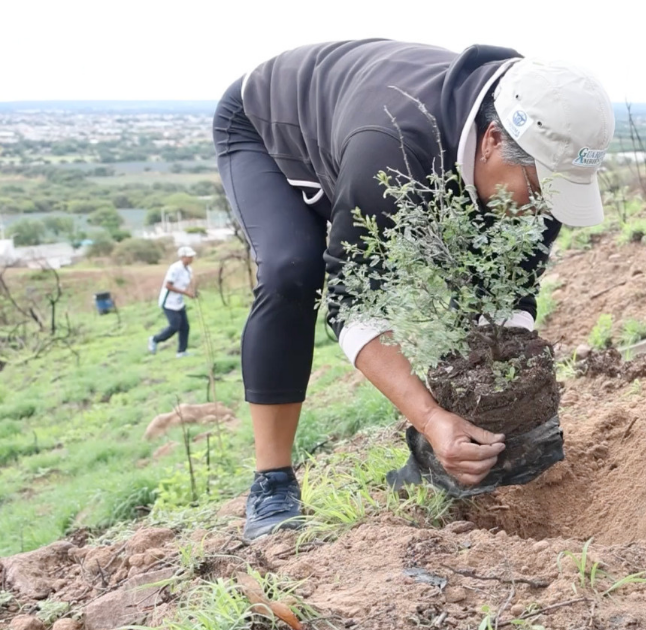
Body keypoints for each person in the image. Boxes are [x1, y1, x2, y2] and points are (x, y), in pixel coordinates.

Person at [213, 40, 614, 540]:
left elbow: (508, 291)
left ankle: (435, 462)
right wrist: (429, 416)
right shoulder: (393, 148)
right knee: (292, 269)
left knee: (486, 258)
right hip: (271, 126)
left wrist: (504, 380)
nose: (543, 209)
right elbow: (353, 300)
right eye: (537, 189)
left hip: (374, 143)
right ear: (492, 140)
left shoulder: (537, 150)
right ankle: (271, 482)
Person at [148, 246, 195, 358]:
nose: (191, 259)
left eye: (192, 256)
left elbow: (186, 284)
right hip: (168, 302)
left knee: (185, 327)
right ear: (182, 257)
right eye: (189, 257)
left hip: (179, 301)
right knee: (174, 326)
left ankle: (181, 351)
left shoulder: (188, 270)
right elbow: (168, 285)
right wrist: (186, 293)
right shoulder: (175, 268)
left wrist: (192, 291)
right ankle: (155, 339)